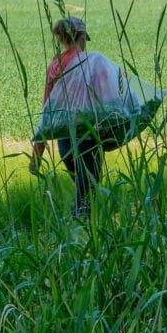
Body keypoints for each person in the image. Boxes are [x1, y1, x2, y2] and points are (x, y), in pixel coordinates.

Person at [29, 16, 105, 218]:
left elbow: (48, 109)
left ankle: (85, 230)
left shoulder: (55, 65)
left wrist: (37, 154)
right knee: (86, 198)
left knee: (85, 192)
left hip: (65, 143)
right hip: (88, 137)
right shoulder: (93, 62)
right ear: (81, 36)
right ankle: (81, 233)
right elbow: (108, 100)